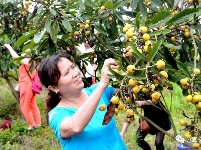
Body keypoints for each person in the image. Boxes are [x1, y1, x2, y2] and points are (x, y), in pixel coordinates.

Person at [37, 53, 127, 150]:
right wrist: (101, 85)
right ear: (54, 88)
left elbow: (128, 84)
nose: (75, 73)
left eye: (73, 67)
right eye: (67, 73)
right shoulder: (56, 115)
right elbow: (74, 127)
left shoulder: (97, 91)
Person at [3, 44, 42, 131]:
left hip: (26, 86)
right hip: (30, 86)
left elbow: (15, 57)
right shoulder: (33, 63)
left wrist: (9, 46)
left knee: (24, 106)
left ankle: (32, 125)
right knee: (33, 105)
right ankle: (38, 124)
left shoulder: (28, 62)